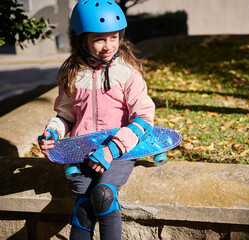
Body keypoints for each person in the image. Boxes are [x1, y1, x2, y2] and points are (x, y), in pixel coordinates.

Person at [38, 0, 155, 239]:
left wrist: (111, 149)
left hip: (119, 150)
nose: (108, 46)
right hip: (82, 151)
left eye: (113, 37)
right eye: (99, 39)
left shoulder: (127, 73)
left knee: (103, 196)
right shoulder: (73, 74)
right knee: (83, 209)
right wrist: (53, 133)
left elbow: (143, 118)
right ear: (82, 40)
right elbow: (66, 115)